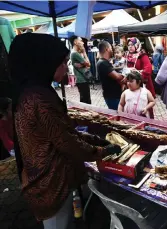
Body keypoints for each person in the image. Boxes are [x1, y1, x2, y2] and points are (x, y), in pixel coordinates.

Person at [9, 33, 120, 229]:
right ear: (44, 62)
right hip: (50, 184)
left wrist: (94, 139)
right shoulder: (39, 99)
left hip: (43, 180)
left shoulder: (33, 91)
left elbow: (62, 131)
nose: (65, 67)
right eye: (62, 62)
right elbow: (66, 141)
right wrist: (101, 152)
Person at [125, 37, 156, 119]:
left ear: (137, 45)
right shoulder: (127, 55)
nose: (130, 47)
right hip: (131, 85)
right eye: (128, 45)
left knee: (146, 107)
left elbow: (148, 69)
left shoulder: (142, 55)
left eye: (132, 45)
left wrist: (137, 75)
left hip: (142, 85)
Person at [97, 41, 124, 110]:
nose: (112, 50)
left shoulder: (104, 62)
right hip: (112, 96)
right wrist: (127, 73)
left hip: (112, 95)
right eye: (111, 48)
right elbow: (117, 77)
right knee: (118, 116)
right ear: (107, 49)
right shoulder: (103, 63)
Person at [70, 36, 92, 104]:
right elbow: (88, 64)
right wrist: (85, 53)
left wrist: (83, 65)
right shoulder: (75, 53)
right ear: (75, 42)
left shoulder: (76, 53)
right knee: (86, 100)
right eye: (81, 41)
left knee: (83, 99)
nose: (82, 43)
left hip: (81, 79)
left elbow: (87, 65)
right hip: (82, 79)